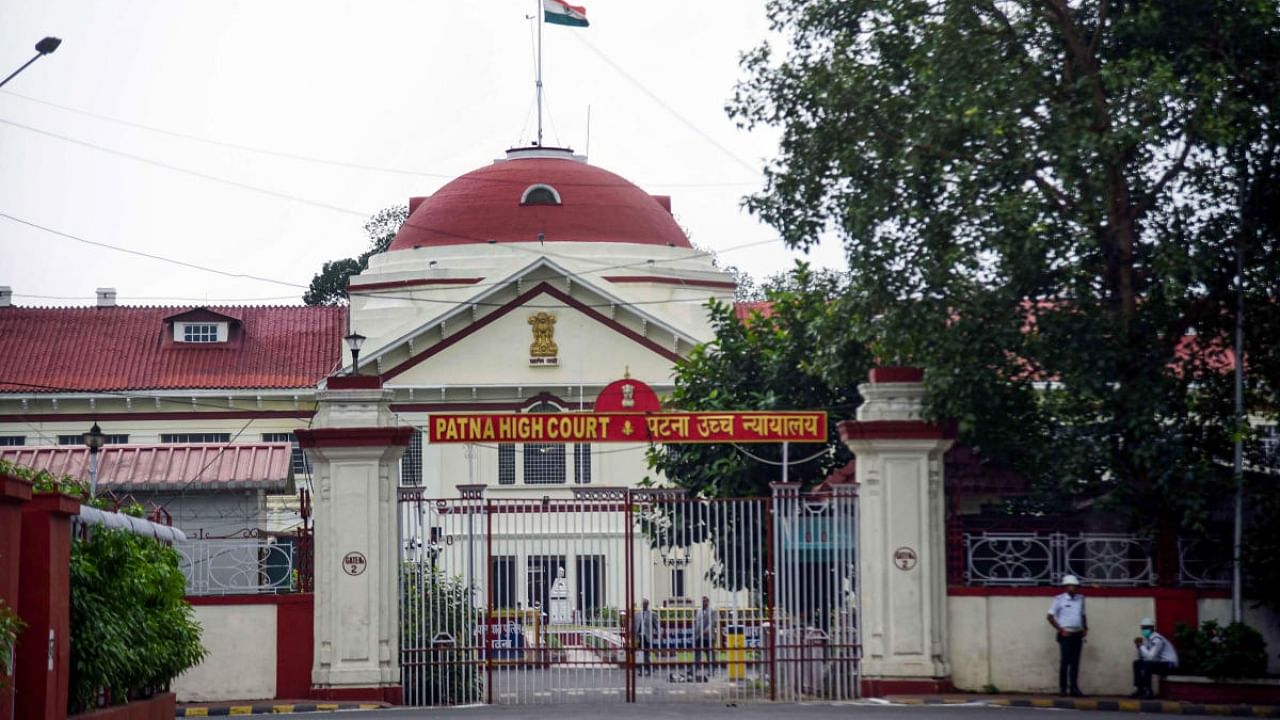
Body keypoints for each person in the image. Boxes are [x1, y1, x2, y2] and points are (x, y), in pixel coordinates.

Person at [1046, 574, 1087, 697]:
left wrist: (1085, 628)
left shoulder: (1081, 598)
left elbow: (1083, 615)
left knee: (1075, 662)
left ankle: (1074, 688)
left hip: (1077, 633)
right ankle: (1063, 688)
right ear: (1065, 587)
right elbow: (1049, 616)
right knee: (1065, 662)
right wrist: (1060, 629)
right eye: (1069, 585)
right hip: (1066, 634)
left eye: (1074, 585)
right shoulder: (1059, 599)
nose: (1072, 588)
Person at [1131, 617, 1178, 699]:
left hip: (1170, 664)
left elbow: (1150, 657)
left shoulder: (1157, 639)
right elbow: (1142, 657)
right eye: (1143, 628)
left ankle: (1149, 691)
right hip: (1160, 663)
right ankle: (1140, 689)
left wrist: (1141, 646)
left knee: (1147, 664)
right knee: (1137, 663)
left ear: (1152, 628)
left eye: (1146, 628)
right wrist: (1138, 647)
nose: (1144, 630)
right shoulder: (1147, 640)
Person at [691, 595, 717, 681]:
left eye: (705, 601)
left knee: (709, 654)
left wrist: (706, 630)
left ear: (708, 602)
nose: (703, 602)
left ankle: (711, 670)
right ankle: (694, 670)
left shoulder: (712, 611)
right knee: (697, 653)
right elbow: (696, 623)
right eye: (702, 601)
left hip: (708, 636)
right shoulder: (698, 611)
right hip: (698, 636)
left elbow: (712, 623)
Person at [634, 598, 659, 676]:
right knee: (639, 654)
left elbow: (656, 625)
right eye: (644, 604)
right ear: (642, 605)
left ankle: (649, 669)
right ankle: (642, 670)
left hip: (647, 636)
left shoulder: (652, 614)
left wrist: (658, 633)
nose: (645, 605)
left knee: (646, 654)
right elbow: (635, 625)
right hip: (639, 636)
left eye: (646, 604)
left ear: (648, 605)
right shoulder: (637, 614)